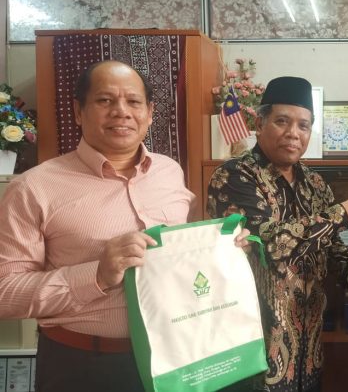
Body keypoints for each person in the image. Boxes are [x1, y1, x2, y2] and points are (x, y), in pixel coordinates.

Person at [0, 60, 200, 392]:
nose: (121, 112)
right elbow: (5, 294)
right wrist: (97, 275)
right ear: (78, 112)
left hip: (175, 356)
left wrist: (222, 250)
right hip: (83, 366)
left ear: (150, 113)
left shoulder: (169, 172)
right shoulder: (33, 188)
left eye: (133, 101)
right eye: (105, 100)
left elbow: (184, 251)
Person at [208, 76, 348, 392]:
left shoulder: (315, 183)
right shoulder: (235, 176)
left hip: (308, 351)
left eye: (303, 125)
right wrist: (341, 214)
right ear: (259, 123)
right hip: (253, 351)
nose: (293, 133)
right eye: (282, 121)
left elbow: (331, 245)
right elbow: (269, 243)